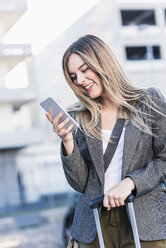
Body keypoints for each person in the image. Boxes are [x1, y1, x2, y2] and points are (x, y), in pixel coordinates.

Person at [46, 34, 166, 248]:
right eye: (74, 77)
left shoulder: (149, 102)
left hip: (145, 219)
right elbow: (80, 183)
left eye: (84, 70)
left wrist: (130, 183)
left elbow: (164, 161)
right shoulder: (79, 116)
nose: (80, 81)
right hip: (93, 223)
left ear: (102, 62)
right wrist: (67, 142)